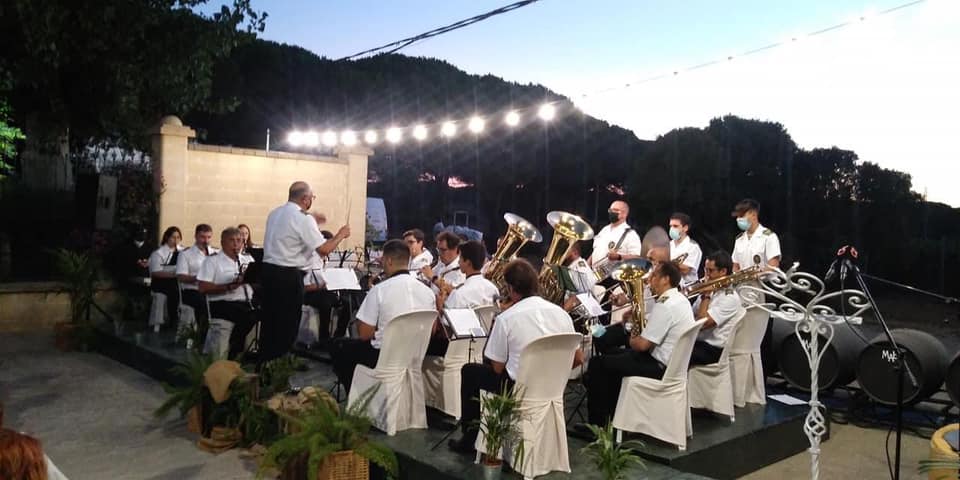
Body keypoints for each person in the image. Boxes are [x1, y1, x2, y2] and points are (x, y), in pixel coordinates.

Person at [448, 259, 583, 454]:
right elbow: (578, 359)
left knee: (470, 371)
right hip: (553, 387)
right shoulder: (562, 315)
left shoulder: (507, 318)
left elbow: (497, 368)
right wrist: (551, 373)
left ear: (511, 288)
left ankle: (470, 438)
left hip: (519, 389)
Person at [583, 261, 695, 427]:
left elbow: (641, 345)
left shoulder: (665, 305)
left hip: (658, 366)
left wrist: (633, 336)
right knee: (611, 358)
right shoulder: (680, 299)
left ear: (665, 279)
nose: (650, 279)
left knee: (597, 364)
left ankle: (597, 426)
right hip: (670, 364)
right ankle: (613, 416)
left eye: (654, 276)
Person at [260, 182, 350, 363]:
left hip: (268, 273)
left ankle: (265, 365)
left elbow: (291, 237)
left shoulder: (275, 213)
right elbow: (324, 249)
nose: (311, 202)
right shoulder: (303, 218)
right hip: (288, 276)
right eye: (312, 198)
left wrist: (312, 221)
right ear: (305, 199)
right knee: (287, 325)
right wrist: (340, 234)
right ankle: (280, 369)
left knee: (270, 323)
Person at [329, 239, 436, 392]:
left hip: (384, 358)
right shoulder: (428, 292)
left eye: (383, 260)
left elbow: (365, 334)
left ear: (389, 260)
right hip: (414, 357)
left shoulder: (380, 290)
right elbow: (430, 331)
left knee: (338, 346)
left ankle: (358, 398)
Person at [427, 240, 499, 356]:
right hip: (482, 345)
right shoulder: (493, 288)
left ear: (468, 263)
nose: (459, 262)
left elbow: (447, 332)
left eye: (460, 259)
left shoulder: (459, 294)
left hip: (458, 349)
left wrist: (440, 307)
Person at [198, 227, 258, 358]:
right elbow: (203, 287)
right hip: (222, 303)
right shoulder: (212, 261)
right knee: (249, 315)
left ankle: (247, 355)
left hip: (246, 302)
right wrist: (228, 286)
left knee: (264, 313)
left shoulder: (248, 260)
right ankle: (234, 349)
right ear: (222, 242)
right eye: (232, 240)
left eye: (239, 240)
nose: (236, 244)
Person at [690, 251, 745, 366]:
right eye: (705, 270)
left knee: (672, 353)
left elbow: (702, 324)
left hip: (712, 349)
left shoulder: (730, 298)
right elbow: (692, 315)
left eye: (710, 271)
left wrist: (706, 295)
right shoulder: (710, 290)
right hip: (698, 341)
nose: (706, 276)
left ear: (723, 271)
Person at [176, 224, 218, 324]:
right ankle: (202, 333)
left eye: (209, 237)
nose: (206, 240)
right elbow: (181, 277)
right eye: (202, 237)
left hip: (212, 289)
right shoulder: (185, 254)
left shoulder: (216, 253)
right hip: (193, 291)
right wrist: (198, 278)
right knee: (205, 304)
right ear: (195, 236)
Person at [589, 200, 643, 277]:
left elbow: (636, 257)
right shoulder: (604, 230)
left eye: (615, 210)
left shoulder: (631, 234)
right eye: (610, 210)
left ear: (624, 214)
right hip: (595, 276)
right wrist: (587, 267)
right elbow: (596, 250)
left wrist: (619, 257)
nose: (612, 212)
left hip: (614, 278)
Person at [149, 226, 183, 328]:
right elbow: (155, 272)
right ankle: (170, 319)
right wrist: (174, 274)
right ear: (167, 237)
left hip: (176, 282)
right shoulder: (158, 253)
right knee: (173, 291)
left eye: (178, 237)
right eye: (173, 237)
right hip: (161, 283)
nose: (175, 240)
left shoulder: (183, 252)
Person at [421, 231, 466, 295]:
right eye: (438, 250)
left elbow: (455, 293)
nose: (439, 254)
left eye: (443, 250)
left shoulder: (462, 269)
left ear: (455, 249)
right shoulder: (441, 263)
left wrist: (433, 278)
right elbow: (428, 277)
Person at [668, 212, 703, 288]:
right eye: (670, 226)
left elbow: (686, 270)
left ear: (685, 228)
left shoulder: (693, 247)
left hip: (688, 289)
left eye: (675, 226)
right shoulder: (668, 245)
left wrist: (665, 263)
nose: (672, 229)